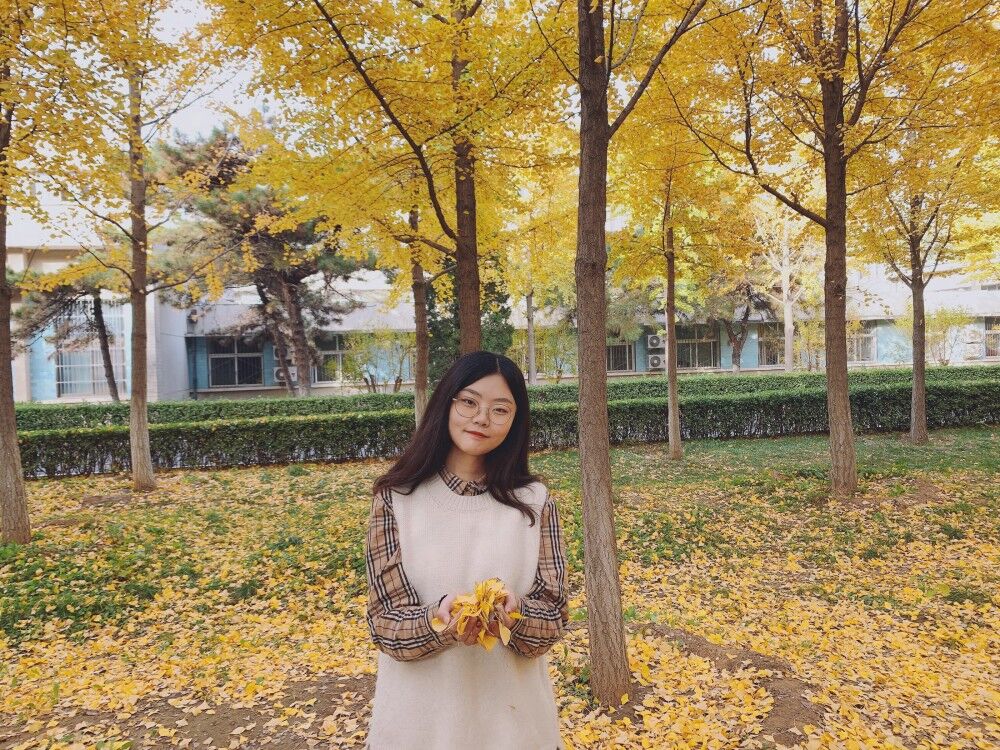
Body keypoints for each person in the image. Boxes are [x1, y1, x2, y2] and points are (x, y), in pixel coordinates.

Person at [364, 351, 569, 749]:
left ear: (515, 421)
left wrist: (515, 614)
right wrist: (439, 621)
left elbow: (554, 618)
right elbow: (385, 623)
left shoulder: (535, 502)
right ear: (447, 403)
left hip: (516, 730)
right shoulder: (396, 498)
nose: (482, 418)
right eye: (469, 402)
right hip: (417, 729)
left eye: (500, 410)